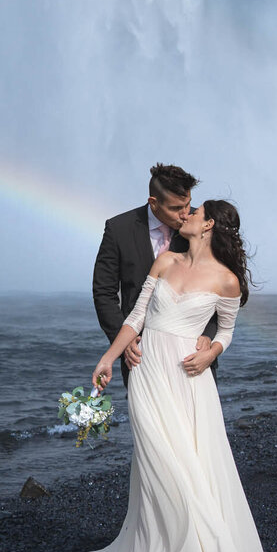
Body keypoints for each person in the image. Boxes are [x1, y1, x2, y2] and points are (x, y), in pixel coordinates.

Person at [11, 198, 271, 552]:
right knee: (158, 463)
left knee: (189, 465)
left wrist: (213, 350)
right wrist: (108, 358)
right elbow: (135, 317)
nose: (185, 216)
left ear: (209, 227)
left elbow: (227, 328)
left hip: (190, 383)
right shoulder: (164, 262)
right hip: (149, 376)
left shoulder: (226, 281)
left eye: (195, 212)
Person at [92, 163, 219, 385]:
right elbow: (104, 292)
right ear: (153, 202)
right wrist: (121, 342)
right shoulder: (118, 229)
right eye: (176, 208)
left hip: (193, 354)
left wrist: (208, 336)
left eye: (188, 204)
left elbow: (221, 287)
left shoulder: (202, 225)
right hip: (138, 354)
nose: (185, 214)